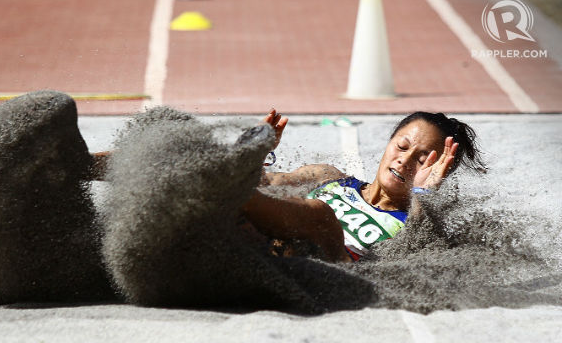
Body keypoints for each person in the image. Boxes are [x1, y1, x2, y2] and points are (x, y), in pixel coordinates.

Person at [90, 109, 484, 263]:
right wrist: (251, 161)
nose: (405, 159)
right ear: (387, 143)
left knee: (322, 216)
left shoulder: (417, 221)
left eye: (422, 160)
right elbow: (272, 182)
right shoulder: (329, 177)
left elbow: (421, 255)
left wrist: (423, 198)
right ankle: (81, 165)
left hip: (331, 266)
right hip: (263, 243)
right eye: (402, 146)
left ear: (438, 173)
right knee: (193, 147)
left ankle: (224, 187)